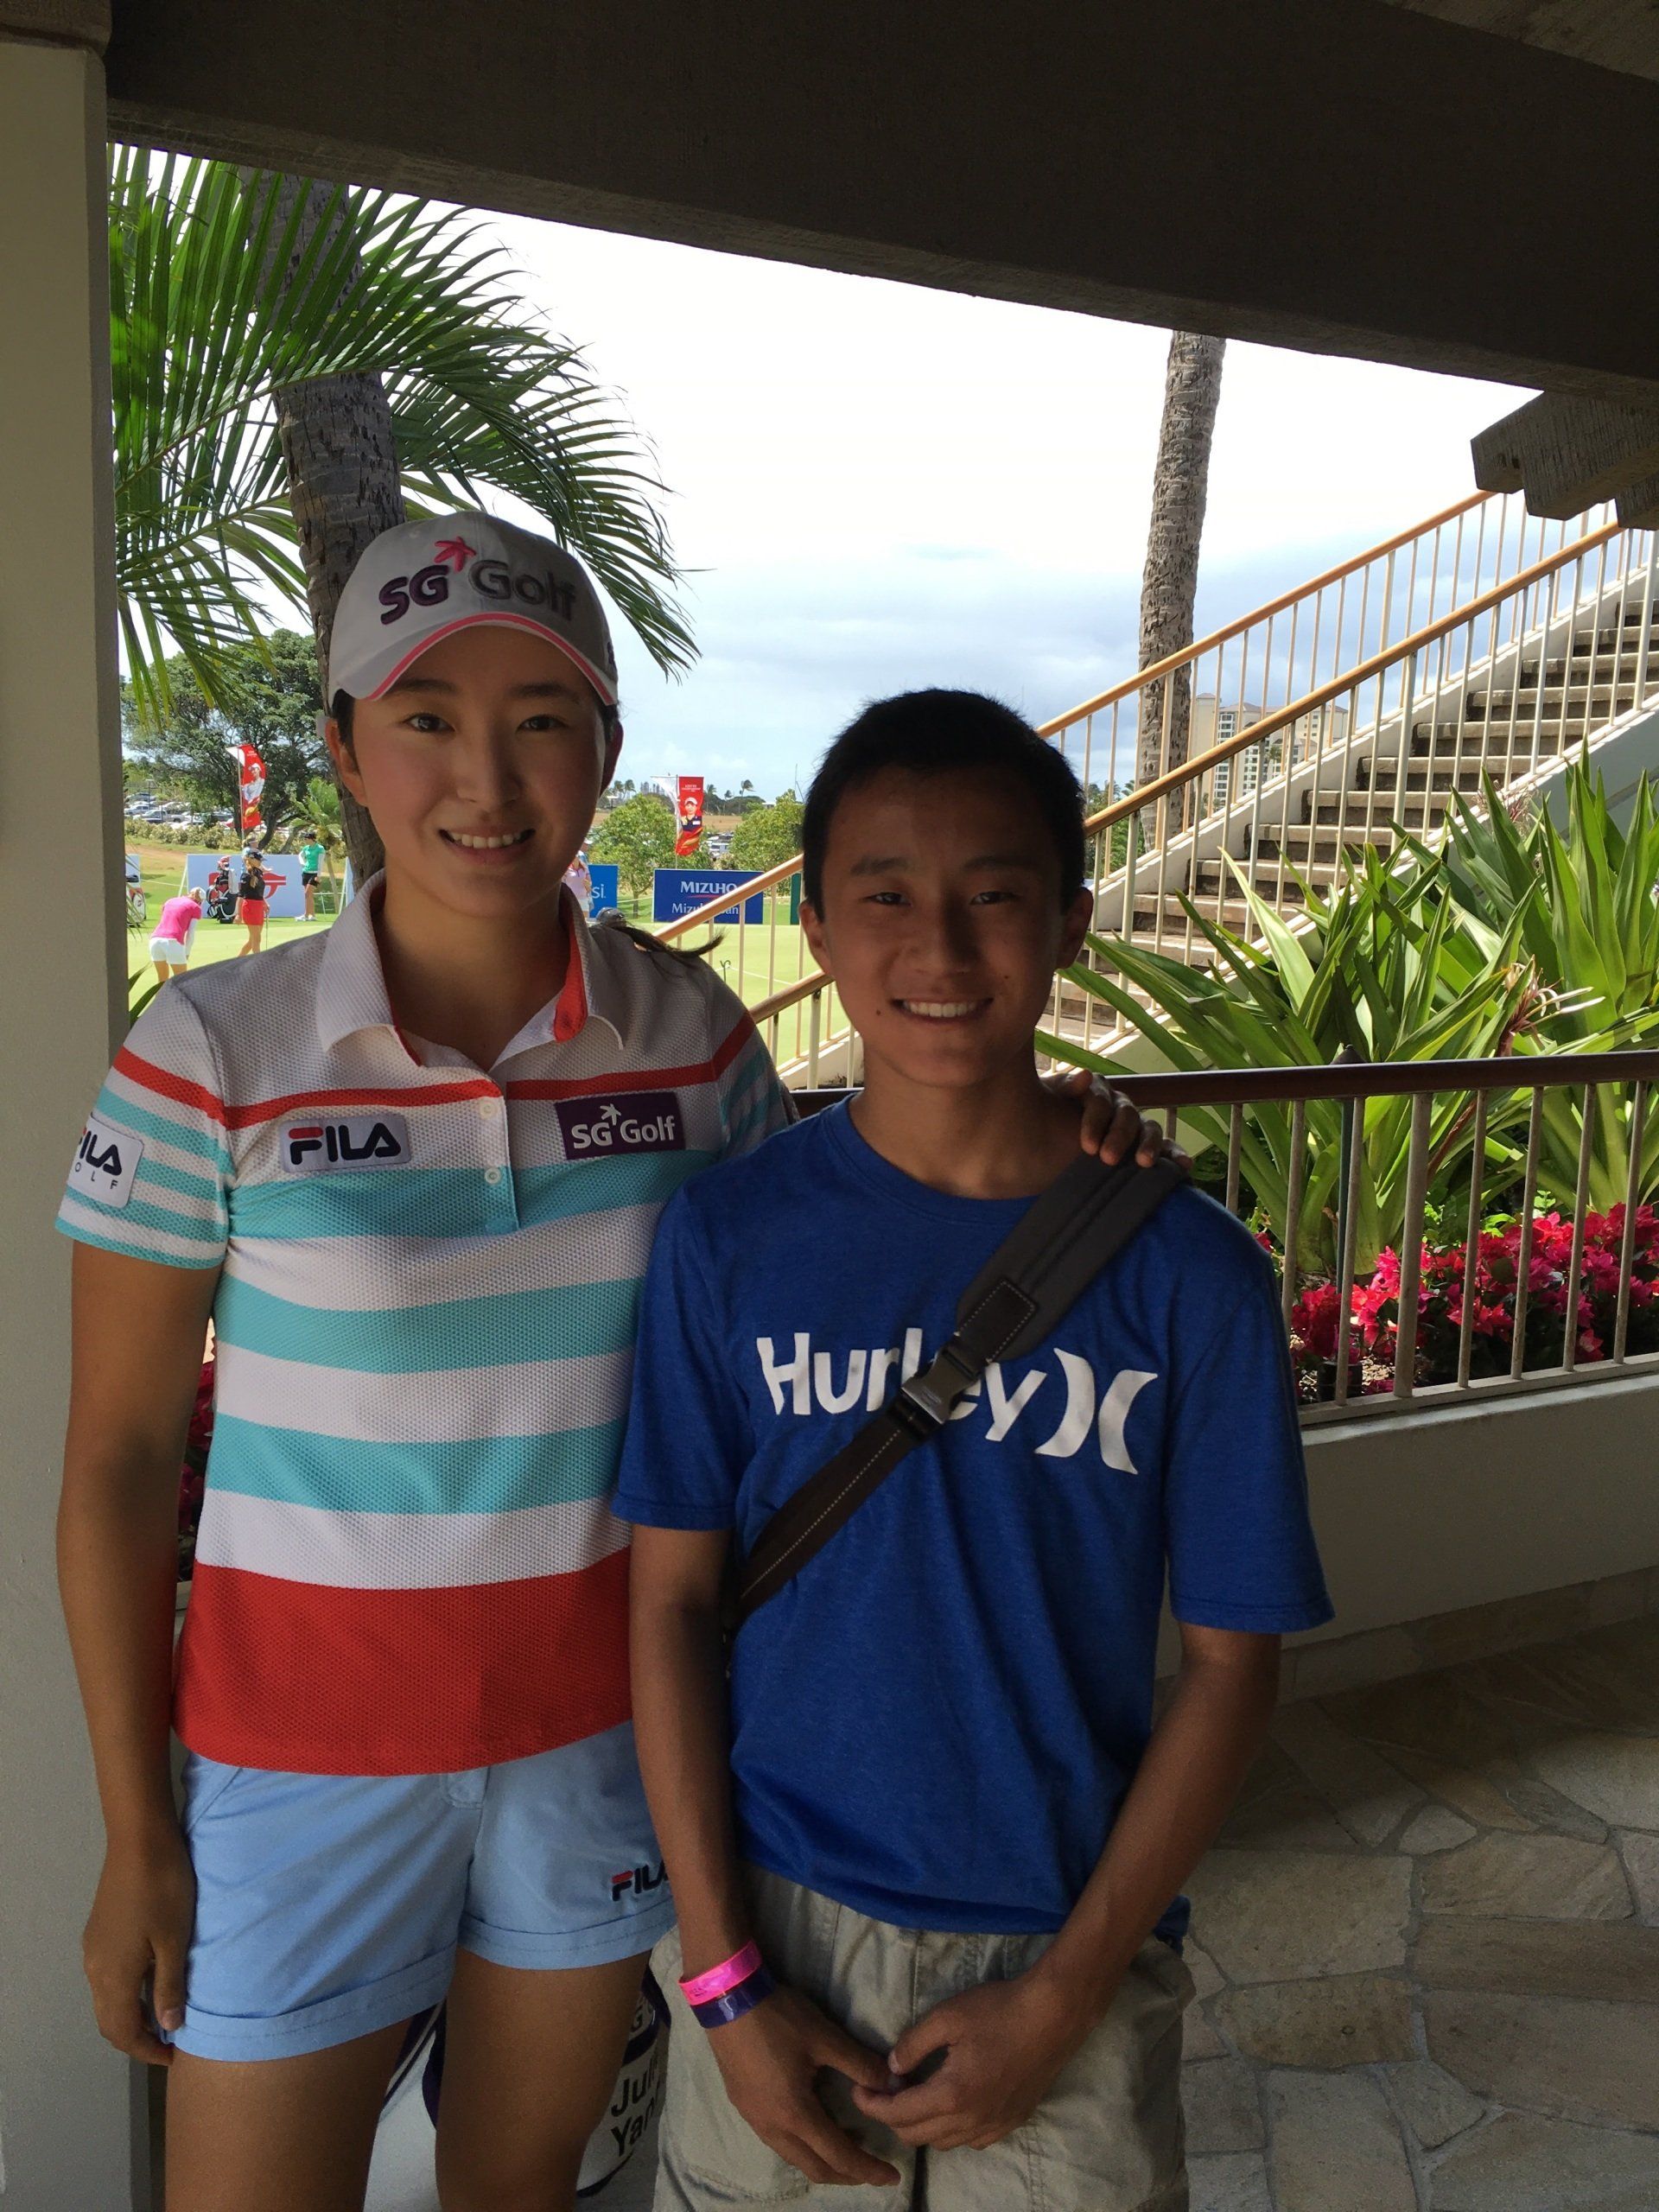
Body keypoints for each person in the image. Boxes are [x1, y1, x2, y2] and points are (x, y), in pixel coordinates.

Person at [54, 523, 1171, 2212]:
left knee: (518, 2190)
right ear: (345, 743)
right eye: (426, 717)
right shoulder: (211, 1052)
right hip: (294, 1757)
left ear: (606, 752)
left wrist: (1064, 1132)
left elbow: (858, 1220)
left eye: (544, 718)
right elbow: (124, 1462)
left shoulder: (694, 1040)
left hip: (602, 1744)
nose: (487, 777)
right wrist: (138, 1826)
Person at [620, 690, 1333, 2212]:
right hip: (779, 1919)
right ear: (813, 922)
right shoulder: (730, 1240)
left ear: (1072, 922)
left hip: (1063, 1929)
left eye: (994, 896)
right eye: (884, 894)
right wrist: (725, 1985)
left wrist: (1069, 1994)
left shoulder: (1191, 1279)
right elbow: (671, 1605)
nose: (938, 952)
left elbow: (1232, 1663)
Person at [148, 887, 204, 983]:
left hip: (155, 940)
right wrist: (186, 953)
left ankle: (161, 999)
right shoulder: (195, 907)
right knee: (182, 981)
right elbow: (191, 933)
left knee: (162, 981)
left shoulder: (170, 901)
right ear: (200, 900)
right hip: (173, 942)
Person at [236, 846, 268, 957]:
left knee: (252, 941)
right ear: (252, 859)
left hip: (258, 907)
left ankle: (236, 962)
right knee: (257, 940)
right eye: (259, 860)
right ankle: (259, 965)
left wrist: (264, 903)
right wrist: (238, 915)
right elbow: (240, 896)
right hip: (250, 907)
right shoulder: (246, 875)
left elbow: (258, 892)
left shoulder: (259, 873)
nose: (260, 862)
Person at [563, 844, 594, 917]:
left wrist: (588, 885)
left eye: (578, 857)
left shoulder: (585, 868)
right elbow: (562, 884)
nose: (576, 858)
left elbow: (590, 882)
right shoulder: (566, 869)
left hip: (583, 898)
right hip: (571, 899)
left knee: (585, 920)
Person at [300, 835, 325, 919]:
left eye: (306, 839)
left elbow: (320, 863)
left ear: (312, 839)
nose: (305, 840)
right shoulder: (306, 848)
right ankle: (311, 915)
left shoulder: (320, 848)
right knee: (308, 895)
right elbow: (300, 856)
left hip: (315, 873)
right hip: (306, 872)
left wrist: (319, 875)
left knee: (307, 893)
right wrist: (303, 863)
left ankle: (308, 915)